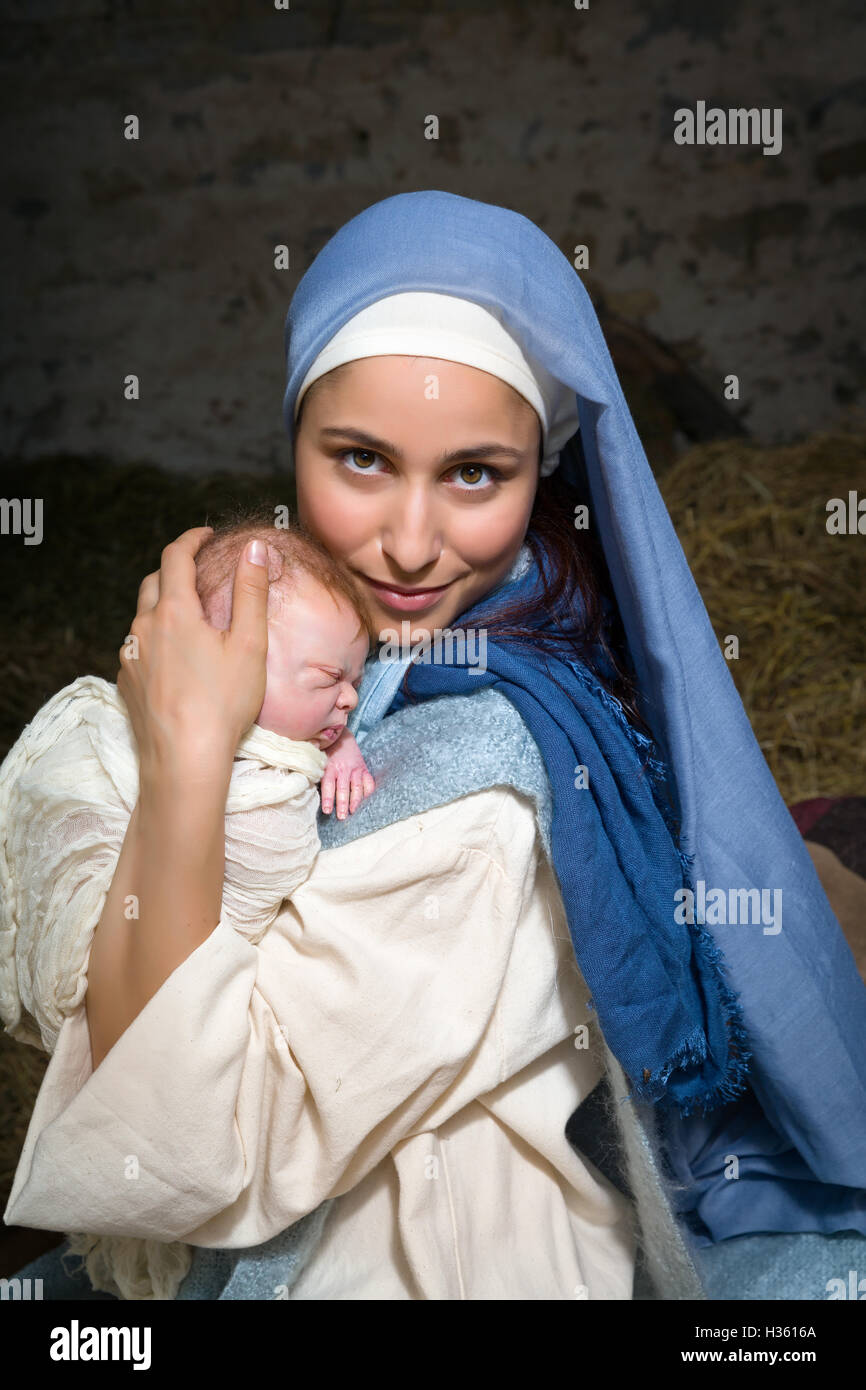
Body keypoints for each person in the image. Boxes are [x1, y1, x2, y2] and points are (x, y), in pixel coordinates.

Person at [3, 190, 865, 1303]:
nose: (408, 548)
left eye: (473, 473)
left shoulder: (481, 777)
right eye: (359, 458)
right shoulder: (353, 662)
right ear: (293, 438)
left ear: (541, 470)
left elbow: (190, 1155)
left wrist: (182, 764)